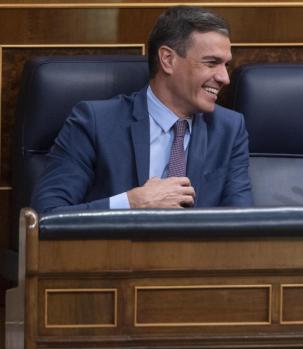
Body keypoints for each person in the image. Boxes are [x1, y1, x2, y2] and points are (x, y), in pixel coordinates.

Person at [32, 6, 252, 213]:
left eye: (226, 65)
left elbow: (242, 226)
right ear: (168, 60)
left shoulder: (229, 130)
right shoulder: (95, 123)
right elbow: (47, 215)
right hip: (115, 252)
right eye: (212, 63)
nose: (225, 78)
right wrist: (132, 202)